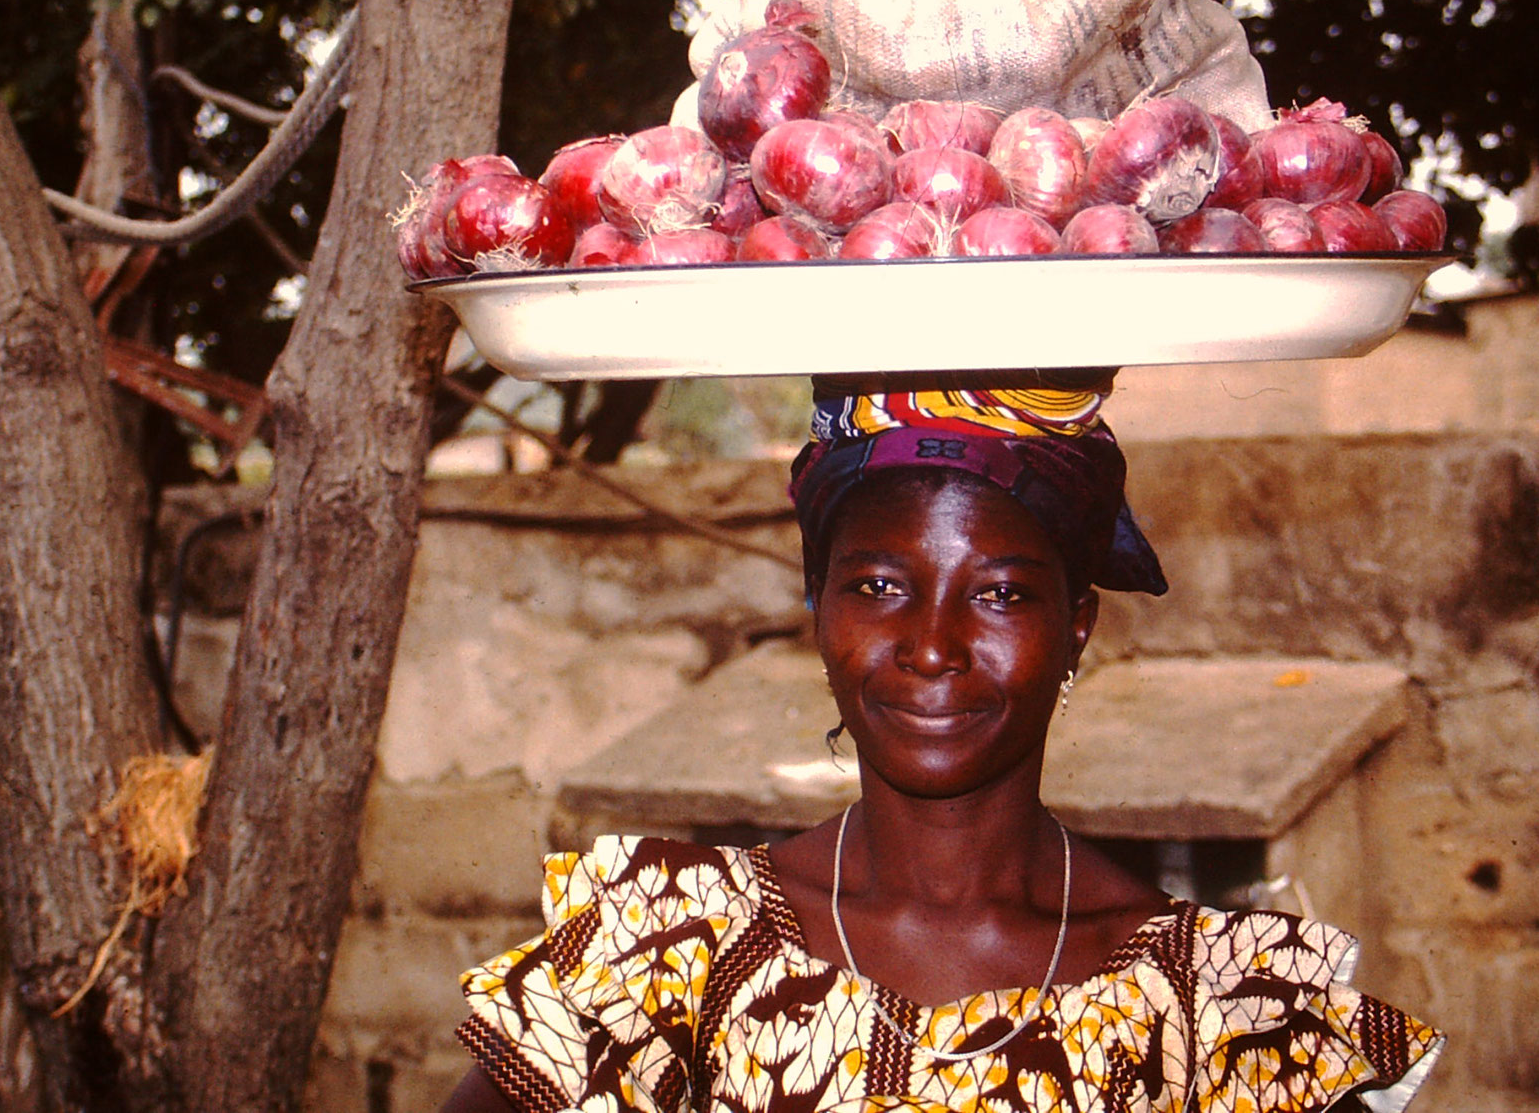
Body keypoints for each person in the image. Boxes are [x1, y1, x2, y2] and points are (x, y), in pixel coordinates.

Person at [439, 374, 1441, 1113]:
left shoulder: (1216, 1016)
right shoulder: (664, 955)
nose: (930, 645)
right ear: (817, 613)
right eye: (876, 586)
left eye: (1000, 594)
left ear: (1076, 623)